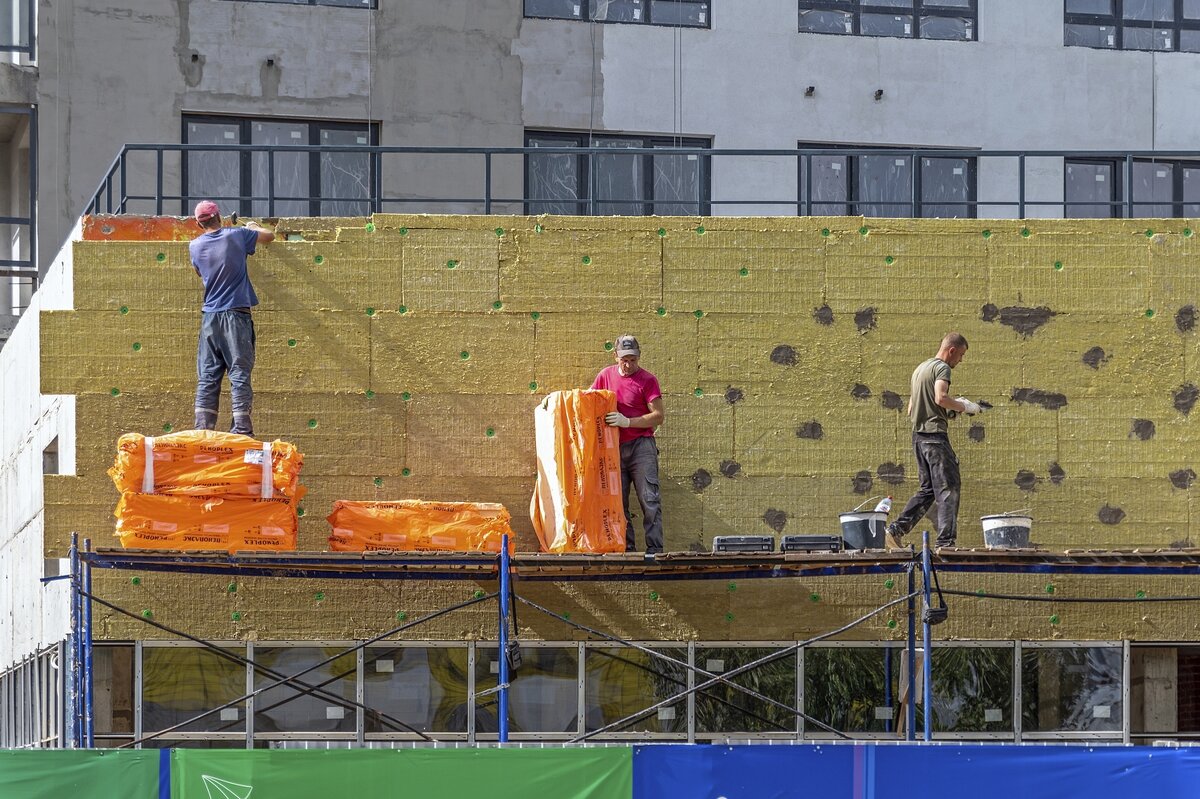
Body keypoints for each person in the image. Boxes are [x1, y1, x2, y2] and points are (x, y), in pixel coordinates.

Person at [886, 332, 983, 549]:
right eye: (961, 355)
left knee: (928, 490)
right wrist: (964, 406)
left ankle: (895, 531)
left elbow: (912, 408)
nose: (961, 360)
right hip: (935, 439)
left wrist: (948, 413)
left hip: (918, 438)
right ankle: (946, 543)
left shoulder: (920, 370)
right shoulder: (942, 368)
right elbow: (940, 397)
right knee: (949, 487)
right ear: (952, 350)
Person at [189, 200, 275, 437]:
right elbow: (269, 236)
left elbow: (199, 271)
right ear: (219, 217)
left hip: (209, 318)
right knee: (238, 373)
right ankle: (241, 431)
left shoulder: (194, 246)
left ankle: (202, 431)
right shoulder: (236, 236)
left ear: (198, 223)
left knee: (207, 375)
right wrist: (253, 225)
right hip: (235, 316)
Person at [591, 335, 665, 554]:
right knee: (618, 503)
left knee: (649, 498)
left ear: (639, 357)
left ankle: (655, 550)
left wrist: (627, 422)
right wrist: (557, 401)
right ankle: (628, 550)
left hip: (641, 446)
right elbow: (588, 399)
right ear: (616, 356)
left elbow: (658, 416)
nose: (629, 364)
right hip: (614, 448)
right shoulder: (605, 376)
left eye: (633, 359)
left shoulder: (647, 380)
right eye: (624, 359)